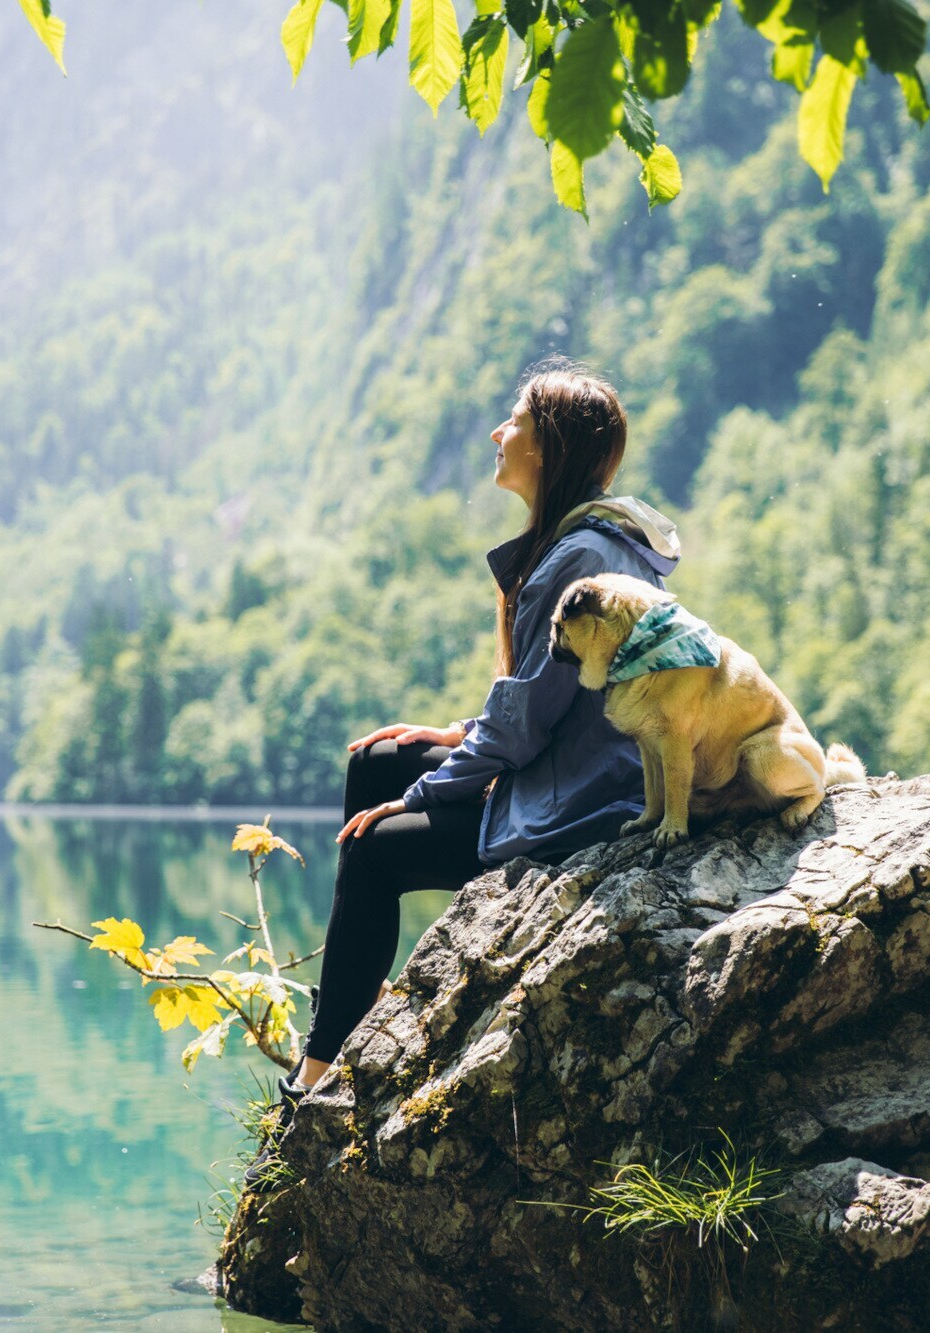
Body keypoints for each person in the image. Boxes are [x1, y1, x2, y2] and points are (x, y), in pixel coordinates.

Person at [268, 357, 679, 1137]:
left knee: (373, 849)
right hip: (568, 770)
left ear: (548, 446)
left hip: (578, 808)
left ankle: (319, 1070)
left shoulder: (577, 559)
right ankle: (344, 1007)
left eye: (515, 420)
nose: (499, 432)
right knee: (375, 760)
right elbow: (543, 698)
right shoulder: (587, 540)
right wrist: (456, 737)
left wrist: (421, 796)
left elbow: (525, 730)